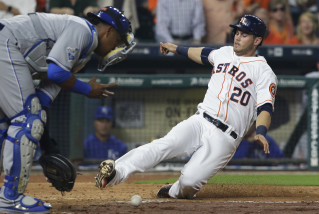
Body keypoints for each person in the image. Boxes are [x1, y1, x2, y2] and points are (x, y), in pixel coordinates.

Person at [95, 14, 278, 199]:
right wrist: (175, 48)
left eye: (244, 34)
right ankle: (114, 173)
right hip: (200, 121)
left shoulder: (264, 72)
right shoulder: (224, 53)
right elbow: (202, 54)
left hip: (225, 137)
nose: (238, 37)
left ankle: (174, 190)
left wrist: (261, 131)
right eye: (237, 32)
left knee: (189, 183)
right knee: (163, 145)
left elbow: (265, 108)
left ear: (257, 40)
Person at [0, 6, 135, 213]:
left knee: (7, 123)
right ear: (108, 30)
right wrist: (88, 89)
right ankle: (10, 199)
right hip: (5, 43)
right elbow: (56, 74)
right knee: (27, 118)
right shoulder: (83, 30)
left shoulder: (82, 55)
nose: (115, 48)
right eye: (117, 41)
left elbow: (43, 100)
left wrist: (47, 148)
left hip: (6, 44)